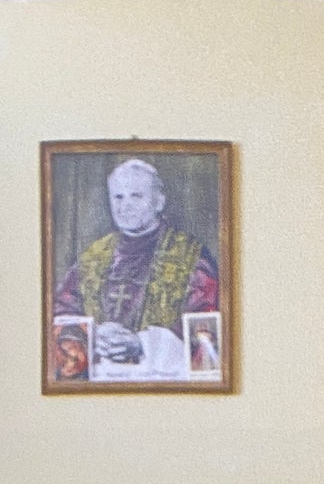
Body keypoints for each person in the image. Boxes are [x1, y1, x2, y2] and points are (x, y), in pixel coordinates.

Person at [53, 158, 218, 380]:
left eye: (136, 196)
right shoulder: (93, 256)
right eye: (118, 197)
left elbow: (206, 328)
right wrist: (90, 335)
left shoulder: (190, 255)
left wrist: (142, 344)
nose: (125, 206)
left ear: (159, 201)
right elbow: (62, 311)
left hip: (164, 382)